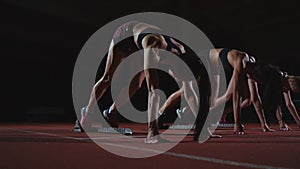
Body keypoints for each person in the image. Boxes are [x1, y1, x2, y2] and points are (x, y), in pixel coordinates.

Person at [79, 21, 211, 143]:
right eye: (180, 77)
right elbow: (153, 91)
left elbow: (190, 92)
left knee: (136, 83)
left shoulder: (185, 56)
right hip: (125, 35)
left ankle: (110, 112)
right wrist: (152, 131)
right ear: (179, 65)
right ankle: (87, 112)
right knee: (108, 78)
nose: (178, 79)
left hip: (141, 42)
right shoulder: (154, 48)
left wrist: (202, 126)